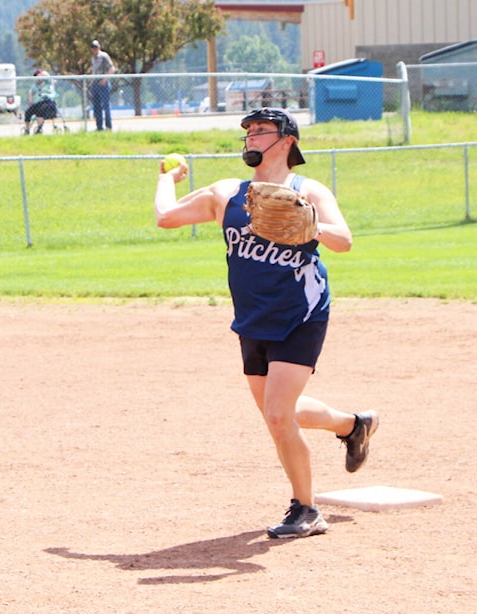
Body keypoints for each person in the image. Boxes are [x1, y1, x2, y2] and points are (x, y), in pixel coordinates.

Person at [153, 108, 380, 539]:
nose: (251, 138)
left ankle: (307, 509)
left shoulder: (307, 190)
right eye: (248, 132)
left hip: (302, 312)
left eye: (262, 131)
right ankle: (353, 425)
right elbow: (166, 216)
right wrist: (168, 176)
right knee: (280, 413)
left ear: (288, 141)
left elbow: (345, 240)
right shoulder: (228, 194)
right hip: (253, 319)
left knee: (277, 415)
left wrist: (309, 225)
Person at [89, 40, 115, 131]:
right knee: (97, 106)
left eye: (96, 47)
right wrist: (91, 81)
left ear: (99, 47)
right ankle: (99, 127)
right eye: (93, 48)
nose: (95, 50)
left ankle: (108, 126)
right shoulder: (93, 58)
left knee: (106, 105)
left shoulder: (104, 56)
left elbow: (112, 68)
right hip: (95, 84)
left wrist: (105, 79)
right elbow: (94, 71)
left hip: (103, 83)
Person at [23, 70, 59, 135]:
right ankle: (27, 129)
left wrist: (42, 74)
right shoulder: (35, 85)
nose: (38, 79)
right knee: (27, 112)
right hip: (38, 102)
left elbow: (46, 74)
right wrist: (30, 100)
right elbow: (31, 92)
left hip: (48, 101)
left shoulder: (48, 82)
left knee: (40, 110)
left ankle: (39, 128)